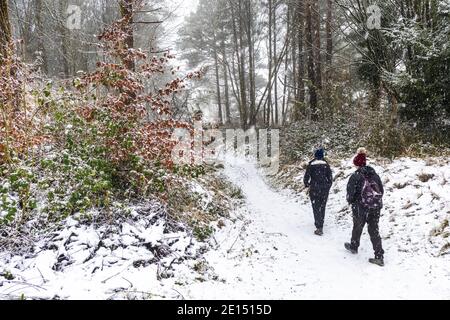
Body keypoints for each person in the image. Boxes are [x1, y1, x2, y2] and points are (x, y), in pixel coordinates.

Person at [345, 148, 385, 266]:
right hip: (375, 206)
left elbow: (350, 193)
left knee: (358, 226)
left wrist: (351, 202)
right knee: (374, 230)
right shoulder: (375, 175)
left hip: (360, 207)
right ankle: (379, 256)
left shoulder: (356, 176)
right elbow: (381, 190)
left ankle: (354, 246)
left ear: (356, 164)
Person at [303, 148, 333, 236]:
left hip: (314, 188)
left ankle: (318, 226)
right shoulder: (326, 165)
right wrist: (328, 186)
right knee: (322, 206)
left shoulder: (311, 164)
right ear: (322, 155)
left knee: (315, 206)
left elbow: (306, 177)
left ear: (315, 155)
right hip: (324, 189)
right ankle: (321, 224)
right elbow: (330, 178)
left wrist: (307, 185)